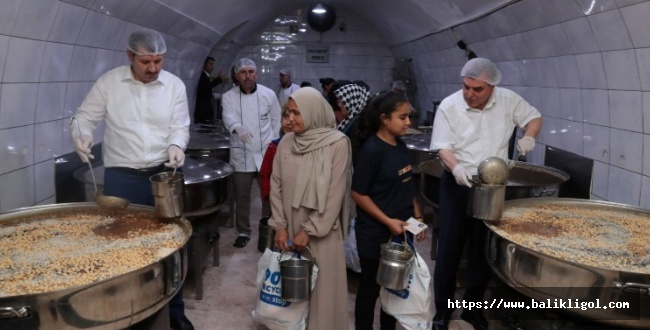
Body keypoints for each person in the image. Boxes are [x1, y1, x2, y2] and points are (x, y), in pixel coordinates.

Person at [70, 30, 194, 330]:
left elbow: (180, 125)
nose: (153, 69)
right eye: (146, 62)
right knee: (123, 246)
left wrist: (177, 145)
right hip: (121, 178)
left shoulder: (173, 85)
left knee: (170, 244)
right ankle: (128, 313)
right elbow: (83, 117)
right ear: (130, 57)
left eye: (158, 61)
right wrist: (82, 135)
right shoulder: (109, 84)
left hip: (161, 176)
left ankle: (175, 313)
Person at [429, 58, 542, 330]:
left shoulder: (508, 100)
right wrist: (455, 168)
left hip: (492, 186)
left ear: (492, 86)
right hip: (457, 184)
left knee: (483, 250)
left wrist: (529, 136)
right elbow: (443, 148)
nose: (470, 94)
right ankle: (442, 312)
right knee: (449, 250)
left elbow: (534, 117)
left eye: (477, 89)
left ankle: (472, 309)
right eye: (466, 87)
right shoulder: (450, 106)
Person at [269, 86, 351, 329]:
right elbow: (276, 186)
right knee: (290, 295)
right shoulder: (285, 142)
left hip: (321, 233)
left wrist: (310, 230)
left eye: (297, 112)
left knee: (322, 297)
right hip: (289, 229)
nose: (290, 118)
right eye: (288, 112)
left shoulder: (337, 144)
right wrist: (280, 226)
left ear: (314, 112)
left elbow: (334, 194)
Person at [350, 91, 426, 330]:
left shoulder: (400, 145)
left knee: (394, 288)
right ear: (384, 119)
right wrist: (388, 221)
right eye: (402, 117)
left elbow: (407, 183)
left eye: (409, 117)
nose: (408, 122)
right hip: (375, 233)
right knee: (370, 289)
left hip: (401, 231)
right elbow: (358, 194)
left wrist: (418, 216)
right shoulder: (371, 150)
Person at [222, 58, 281, 248]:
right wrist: (237, 127)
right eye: (243, 72)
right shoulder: (228, 97)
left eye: (251, 72)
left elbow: (276, 119)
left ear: (256, 73)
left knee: (268, 194)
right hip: (242, 153)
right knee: (242, 195)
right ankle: (243, 231)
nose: (247, 76)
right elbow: (227, 116)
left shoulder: (268, 95)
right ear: (236, 75)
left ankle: (268, 228)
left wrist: (272, 143)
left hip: (265, 153)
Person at [259, 105, 293, 205]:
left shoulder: (307, 147)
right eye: (285, 116)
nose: (288, 122)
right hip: (275, 202)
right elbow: (264, 175)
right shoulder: (274, 147)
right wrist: (270, 197)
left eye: (293, 117)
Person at [194, 56, 224, 124]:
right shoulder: (202, 75)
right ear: (204, 64)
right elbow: (205, 88)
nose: (212, 67)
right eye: (210, 64)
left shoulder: (204, 75)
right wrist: (218, 79)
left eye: (213, 64)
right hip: (202, 111)